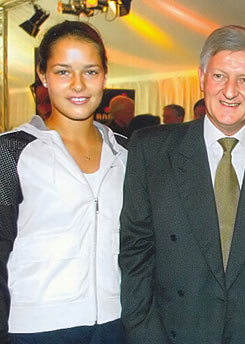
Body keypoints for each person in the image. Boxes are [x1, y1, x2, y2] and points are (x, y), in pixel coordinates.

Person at [119, 25, 245, 343]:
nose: (230, 91)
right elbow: (135, 254)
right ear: (201, 77)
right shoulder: (152, 150)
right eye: (219, 76)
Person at [0, 21, 127, 343]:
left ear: (105, 75)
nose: (78, 85)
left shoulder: (128, 154)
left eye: (90, 71)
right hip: (34, 328)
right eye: (62, 71)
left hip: (117, 325)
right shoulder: (9, 151)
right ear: (43, 75)